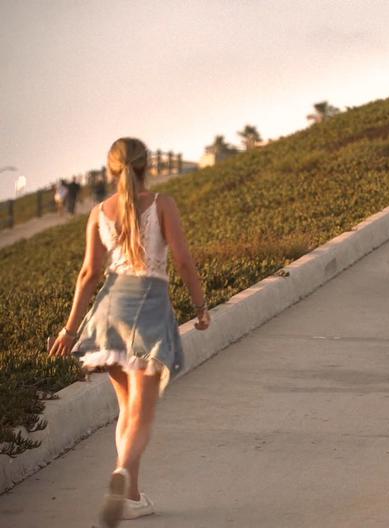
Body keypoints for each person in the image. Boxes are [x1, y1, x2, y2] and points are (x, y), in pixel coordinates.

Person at [48, 137, 210, 527]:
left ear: (111, 169)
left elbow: (88, 274)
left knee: (127, 409)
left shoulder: (99, 212)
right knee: (143, 413)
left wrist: (70, 329)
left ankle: (133, 498)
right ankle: (121, 473)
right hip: (149, 310)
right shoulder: (162, 204)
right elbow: (185, 261)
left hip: (108, 311)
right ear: (146, 166)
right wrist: (201, 308)